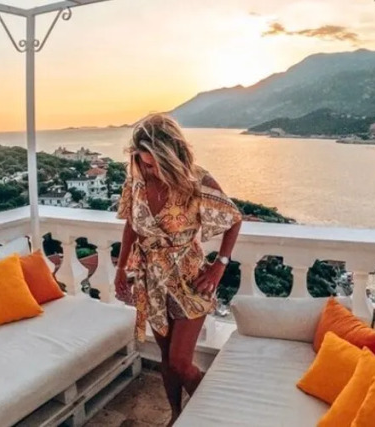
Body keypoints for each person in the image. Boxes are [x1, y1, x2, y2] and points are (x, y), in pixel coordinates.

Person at [114, 113, 242, 424]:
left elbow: (233, 219)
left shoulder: (196, 181)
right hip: (151, 280)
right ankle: (176, 415)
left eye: (155, 163)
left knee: (181, 362)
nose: (150, 170)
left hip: (189, 279)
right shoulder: (136, 181)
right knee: (166, 360)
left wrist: (219, 266)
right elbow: (132, 225)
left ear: (172, 156)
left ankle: (218, 417)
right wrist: (121, 268)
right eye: (144, 162)